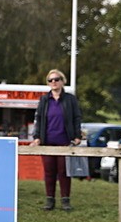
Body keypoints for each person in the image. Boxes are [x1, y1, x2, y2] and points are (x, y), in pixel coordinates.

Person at [29, 69, 82, 211]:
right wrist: (37, 138)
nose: (53, 82)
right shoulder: (44, 100)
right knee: (49, 172)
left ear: (62, 81)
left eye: (56, 79)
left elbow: (77, 118)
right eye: (50, 80)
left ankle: (65, 200)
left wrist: (77, 136)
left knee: (64, 172)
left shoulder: (70, 99)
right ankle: (49, 200)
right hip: (47, 141)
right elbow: (39, 119)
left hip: (65, 141)